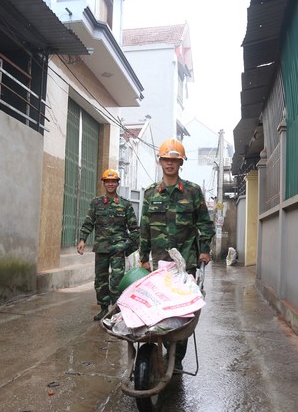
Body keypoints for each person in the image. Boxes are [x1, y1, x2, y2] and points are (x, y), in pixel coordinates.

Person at [139, 138, 215, 371]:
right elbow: (145, 227)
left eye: (174, 160)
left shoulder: (192, 191)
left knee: (182, 313)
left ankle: (177, 357)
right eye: (166, 159)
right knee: (159, 308)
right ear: (160, 161)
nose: (169, 163)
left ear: (181, 163)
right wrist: (143, 257)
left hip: (186, 263)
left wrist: (204, 251)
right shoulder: (151, 193)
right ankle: (159, 347)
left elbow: (204, 223)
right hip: (159, 263)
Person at [78, 169, 140, 321]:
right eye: (108, 181)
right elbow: (88, 223)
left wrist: (128, 248)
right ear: (104, 183)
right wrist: (82, 239)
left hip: (118, 249)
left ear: (118, 183)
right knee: (100, 280)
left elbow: (134, 229)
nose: (110, 184)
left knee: (117, 280)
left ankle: (116, 308)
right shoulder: (96, 203)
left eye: (113, 181)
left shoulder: (125, 205)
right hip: (101, 248)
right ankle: (103, 308)